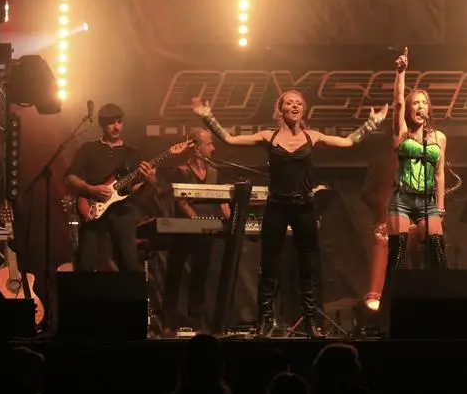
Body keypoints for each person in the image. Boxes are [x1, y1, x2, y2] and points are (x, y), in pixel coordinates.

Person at [192, 90, 387, 337]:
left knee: (308, 266)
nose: (294, 106)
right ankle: (264, 320)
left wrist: (373, 123)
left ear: (303, 110)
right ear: (280, 109)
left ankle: (310, 322)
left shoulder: (311, 136)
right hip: (277, 206)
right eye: (289, 103)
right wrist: (207, 116)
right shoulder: (268, 136)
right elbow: (230, 140)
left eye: (298, 104)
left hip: (304, 207)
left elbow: (348, 141)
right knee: (270, 265)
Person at [64, 102, 158, 272]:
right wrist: (91, 189)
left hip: (122, 211)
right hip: (93, 207)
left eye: (119, 122)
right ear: (102, 123)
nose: (116, 127)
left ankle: (127, 297)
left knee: (128, 262)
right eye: (111, 122)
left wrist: (146, 180)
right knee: (85, 262)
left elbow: (134, 189)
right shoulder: (88, 148)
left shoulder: (132, 153)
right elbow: (70, 177)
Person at [385, 46, 449, 286]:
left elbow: (440, 174)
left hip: (428, 201)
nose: (419, 106)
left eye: (424, 103)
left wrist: (440, 208)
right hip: (402, 198)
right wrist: (400, 73)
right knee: (398, 254)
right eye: (416, 103)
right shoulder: (400, 133)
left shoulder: (439, 137)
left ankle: (443, 303)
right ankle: (390, 309)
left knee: (438, 254)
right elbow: (398, 103)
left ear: (428, 108)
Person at [160, 128, 229, 331]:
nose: (213, 148)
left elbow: (224, 202)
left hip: (206, 231)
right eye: (209, 144)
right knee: (175, 272)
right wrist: (197, 221)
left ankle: (196, 320)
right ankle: (169, 320)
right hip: (184, 230)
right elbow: (181, 201)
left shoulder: (215, 172)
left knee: (201, 272)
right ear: (196, 147)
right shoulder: (181, 171)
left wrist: (233, 220)